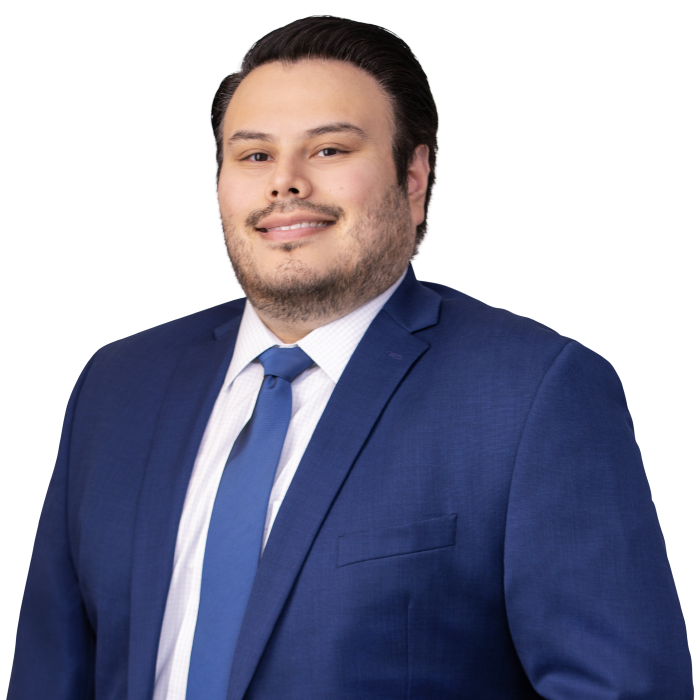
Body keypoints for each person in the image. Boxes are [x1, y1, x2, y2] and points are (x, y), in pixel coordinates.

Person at [8, 15, 693, 700]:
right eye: (254, 156)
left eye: (330, 149)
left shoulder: (532, 393)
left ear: (413, 176)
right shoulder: (117, 387)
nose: (285, 183)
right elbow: (48, 678)